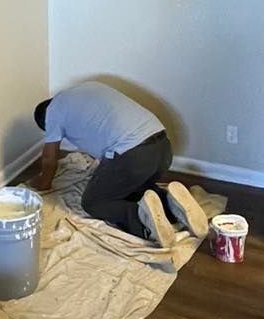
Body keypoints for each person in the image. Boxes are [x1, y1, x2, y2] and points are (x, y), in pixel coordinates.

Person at [31, 80, 208, 247]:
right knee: (127, 189)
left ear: (45, 119)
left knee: (94, 202)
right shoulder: (87, 88)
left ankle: (142, 222)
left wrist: (44, 183)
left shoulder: (54, 111)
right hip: (162, 149)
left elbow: (49, 157)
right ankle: (171, 203)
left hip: (135, 156)